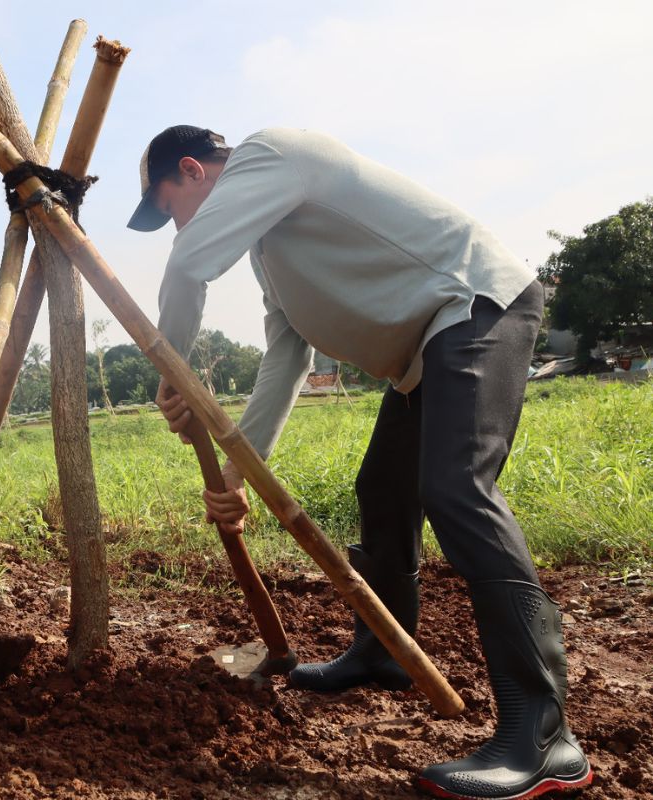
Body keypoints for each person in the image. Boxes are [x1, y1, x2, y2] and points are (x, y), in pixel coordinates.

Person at [133, 126, 591, 799]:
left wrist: (169, 367)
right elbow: (288, 359)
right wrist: (237, 472)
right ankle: (382, 652)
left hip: (477, 306)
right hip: (425, 353)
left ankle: (546, 737)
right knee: (382, 489)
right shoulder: (271, 249)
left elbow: (188, 266)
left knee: (457, 491)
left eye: (167, 207)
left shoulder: (273, 154)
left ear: (194, 171)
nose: (175, 227)